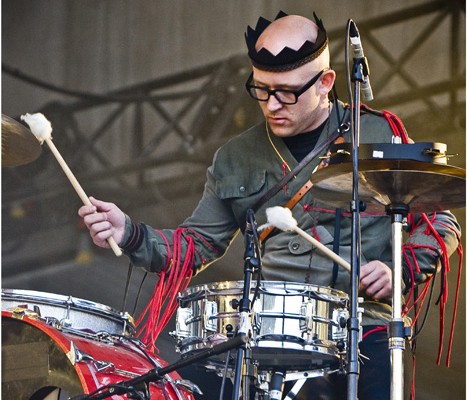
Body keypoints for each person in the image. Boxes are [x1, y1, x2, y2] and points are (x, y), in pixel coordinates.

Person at [78, 11, 461, 400]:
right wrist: (130, 232)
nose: (272, 104)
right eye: (261, 89)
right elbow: (195, 244)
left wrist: (400, 270)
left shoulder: (378, 133)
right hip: (269, 330)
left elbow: (439, 221)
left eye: (287, 92)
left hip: (365, 326)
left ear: (325, 82)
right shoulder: (234, 157)